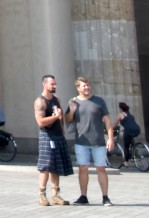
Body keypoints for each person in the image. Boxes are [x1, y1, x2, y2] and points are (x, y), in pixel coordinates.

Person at [66, 75, 115, 206]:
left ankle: (105, 197)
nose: (87, 87)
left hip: (98, 141)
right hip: (81, 142)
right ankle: (83, 196)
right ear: (78, 88)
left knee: (101, 169)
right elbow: (68, 119)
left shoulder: (99, 101)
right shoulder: (73, 101)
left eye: (88, 85)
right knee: (83, 168)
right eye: (84, 85)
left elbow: (107, 120)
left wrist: (110, 138)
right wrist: (71, 111)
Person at [35, 74, 71, 207]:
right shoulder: (40, 101)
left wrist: (62, 130)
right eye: (52, 84)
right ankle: (42, 195)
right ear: (44, 84)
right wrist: (56, 117)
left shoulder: (57, 99)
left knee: (56, 165)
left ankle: (55, 195)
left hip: (58, 135)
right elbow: (40, 122)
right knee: (46, 165)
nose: (55, 86)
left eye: (55, 84)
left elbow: (60, 118)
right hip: (47, 136)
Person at [114, 102, 141, 167]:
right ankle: (134, 150)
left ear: (120, 108)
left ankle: (126, 162)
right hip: (137, 129)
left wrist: (109, 129)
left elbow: (114, 125)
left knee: (126, 146)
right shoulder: (130, 115)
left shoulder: (120, 115)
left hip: (128, 130)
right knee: (130, 140)